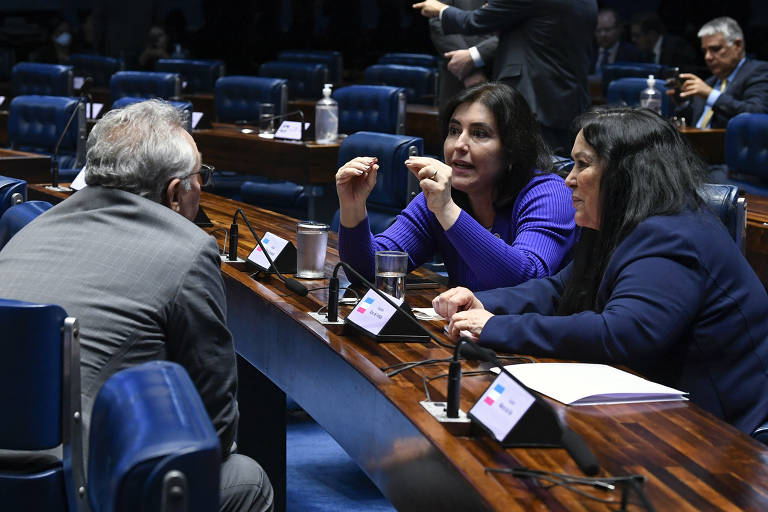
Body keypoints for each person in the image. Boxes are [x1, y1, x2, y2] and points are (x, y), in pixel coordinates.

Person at [0, 100, 273, 512]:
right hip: (69, 488)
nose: (202, 186)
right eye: (200, 176)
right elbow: (212, 428)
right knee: (247, 479)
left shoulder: (31, 227)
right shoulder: (189, 250)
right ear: (175, 193)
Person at [432, 107, 768, 434]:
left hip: (721, 433)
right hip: (652, 411)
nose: (569, 179)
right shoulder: (619, 220)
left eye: (583, 164)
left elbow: (621, 333)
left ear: (625, 173)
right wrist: (484, 302)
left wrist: (496, 327)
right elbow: (561, 289)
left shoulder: (672, 234)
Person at [336, 82, 577, 292]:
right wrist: (353, 206)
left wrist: (447, 210)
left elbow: (526, 282)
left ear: (512, 149)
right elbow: (369, 271)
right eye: (454, 131)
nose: (459, 144)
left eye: (479, 134)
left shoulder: (549, 194)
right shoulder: (439, 197)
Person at [413, 0, 597, 155]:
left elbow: (474, 21)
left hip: (534, 101)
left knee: (529, 173)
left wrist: (441, 9)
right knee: (558, 172)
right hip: (568, 99)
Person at [672, 16, 768, 129]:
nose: (707, 57)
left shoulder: (759, 71)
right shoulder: (710, 82)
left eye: (715, 49)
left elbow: (757, 113)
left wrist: (711, 95)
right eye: (704, 51)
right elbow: (694, 122)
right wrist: (683, 104)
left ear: (737, 45)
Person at [427, 0, 498, 108]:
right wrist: (468, 69)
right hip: (458, 75)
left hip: (502, 69)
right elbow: (438, 21)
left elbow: (517, 30)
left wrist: (476, 55)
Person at [630, 11, 697, 69]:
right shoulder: (644, 54)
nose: (633, 40)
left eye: (637, 36)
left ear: (651, 34)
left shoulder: (677, 48)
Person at [591, 8, 642, 75]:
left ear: (618, 29)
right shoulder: (588, 52)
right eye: (598, 30)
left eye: (607, 30)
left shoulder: (632, 53)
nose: (603, 34)